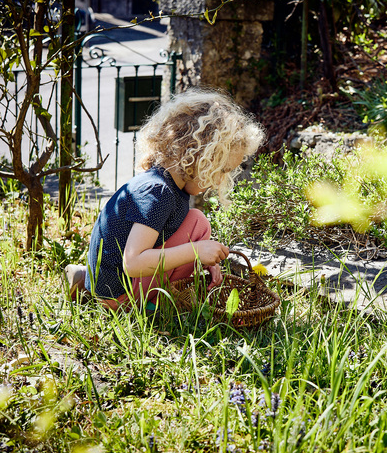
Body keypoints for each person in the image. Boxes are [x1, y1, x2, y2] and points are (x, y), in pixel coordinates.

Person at [65, 89, 265, 311]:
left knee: (196, 221)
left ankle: (85, 278)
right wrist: (196, 251)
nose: (219, 181)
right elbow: (133, 263)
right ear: (198, 155)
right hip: (119, 296)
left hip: (111, 282)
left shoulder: (165, 183)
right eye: (221, 169)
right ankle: (155, 305)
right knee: (198, 228)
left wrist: (203, 259)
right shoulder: (158, 192)